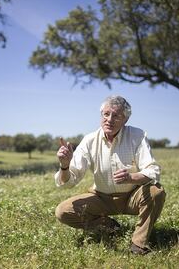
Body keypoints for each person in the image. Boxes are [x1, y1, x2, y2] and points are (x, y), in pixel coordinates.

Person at [55, 95, 166, 255]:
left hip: (132, 196)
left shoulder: (137, 136)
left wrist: (131, 177)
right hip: (102, 198)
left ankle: (138, 244)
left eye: (116, 116)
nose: (110, 119)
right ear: (101, 116)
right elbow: (69, 182)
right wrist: (64, 165)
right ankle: (108, 226)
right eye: (106, 114)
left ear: (125, 120)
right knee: (63, 211)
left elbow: (153, 170)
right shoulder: (89, 140)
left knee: (156, 192)